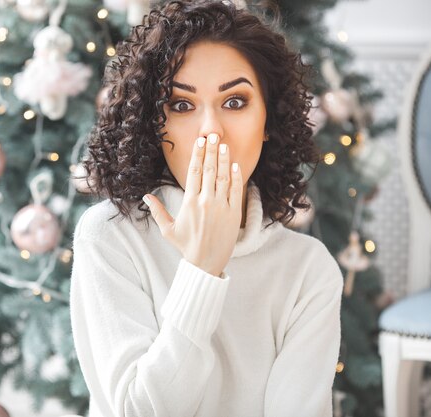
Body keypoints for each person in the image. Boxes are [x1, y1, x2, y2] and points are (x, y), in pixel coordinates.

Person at [69, 0, 344, 416]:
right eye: (181, 105)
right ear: (152, 125)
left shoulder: (309, 270)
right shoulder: (109, 236)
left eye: (235, 102)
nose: (210, 130)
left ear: (268, 121)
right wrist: (202, 270)